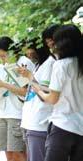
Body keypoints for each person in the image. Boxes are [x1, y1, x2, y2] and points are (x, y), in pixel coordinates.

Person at [33, 24, 83, 161]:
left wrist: (38, 90)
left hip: (63, 126)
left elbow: (53, 99)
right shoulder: (79, 63)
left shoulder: (61, 65)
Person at [20, 24, 60, 161]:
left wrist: (30, 77)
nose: (28, 54)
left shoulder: (51, 63)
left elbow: (45, 94)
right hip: (29, 122)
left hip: (40, 123)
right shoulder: (38, 65)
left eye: (31, 50)